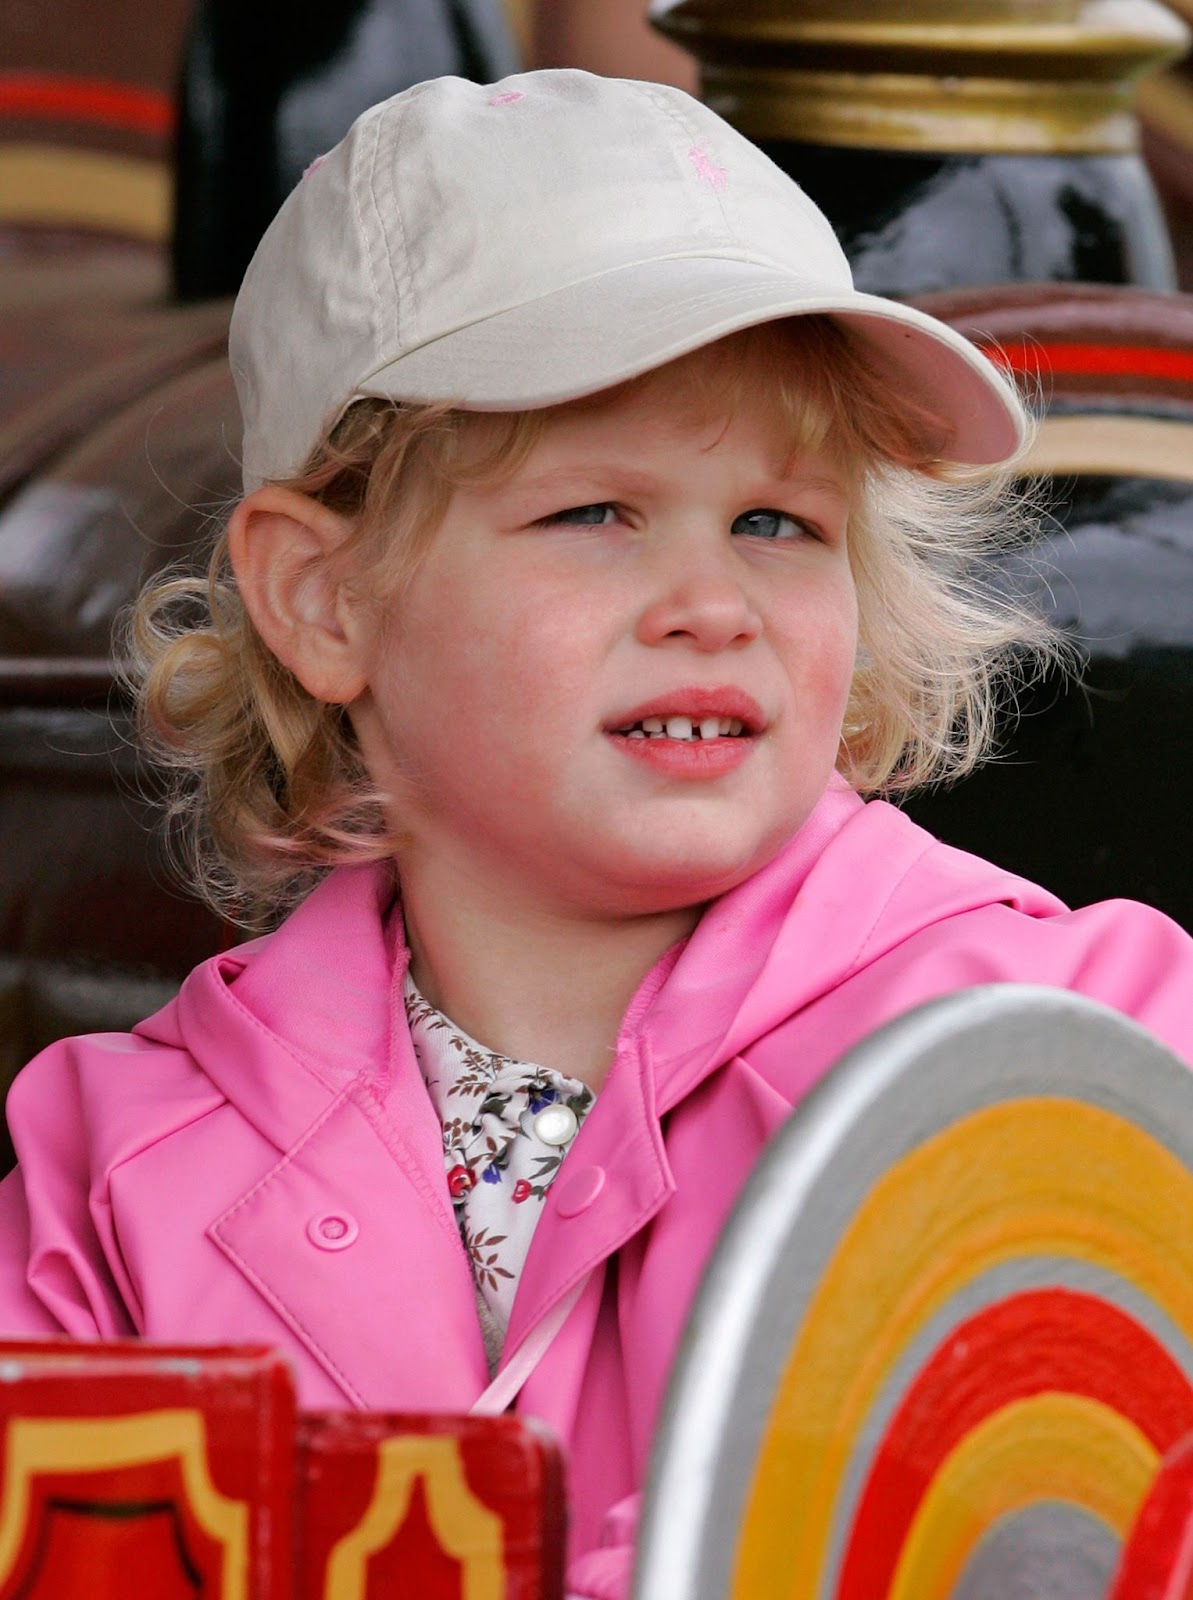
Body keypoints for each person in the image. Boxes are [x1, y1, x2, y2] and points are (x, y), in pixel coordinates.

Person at [2, 70, 1192, 1600]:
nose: (711, 599)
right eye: (598, 514)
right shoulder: (115, 1165)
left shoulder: (1062, 1049)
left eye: (779, 523)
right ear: (321, 597)